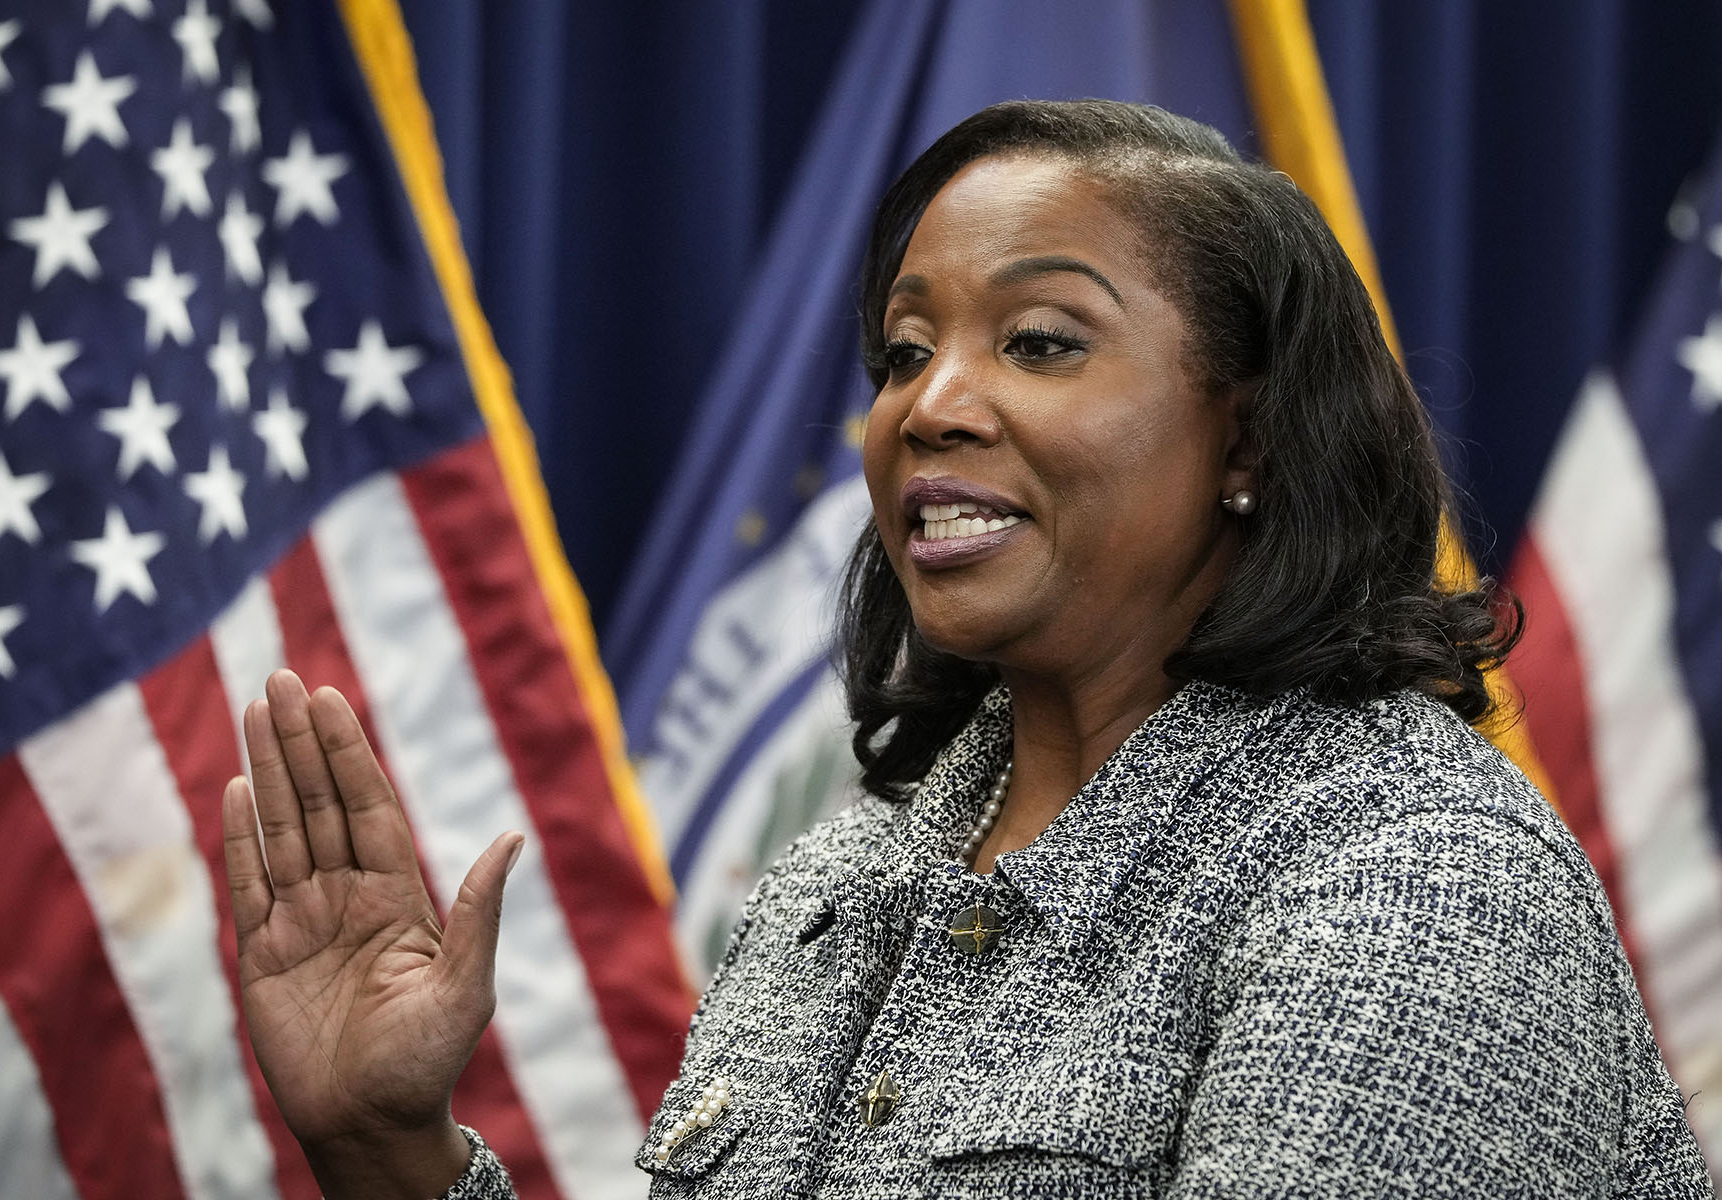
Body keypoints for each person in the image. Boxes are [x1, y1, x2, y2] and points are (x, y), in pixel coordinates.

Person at [221, 100, 1713, 1198]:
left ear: (1248, 435)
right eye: (902, 351)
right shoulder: (838, 886)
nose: (927, 404)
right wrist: (386, 1147)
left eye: (1042, 340)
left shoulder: (1414, 878)